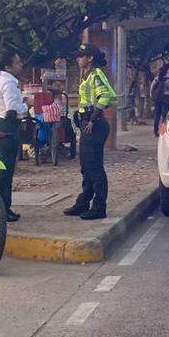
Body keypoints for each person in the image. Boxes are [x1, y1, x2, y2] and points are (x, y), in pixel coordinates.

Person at [65, 44, 117, 220]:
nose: (78, 59)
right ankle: (83, 202)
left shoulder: (95, 75)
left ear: (90, 58)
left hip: (94, 125)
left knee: (94, 168)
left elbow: (105, 97)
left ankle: (99, 206)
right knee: (86, 167)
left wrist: (93, 119)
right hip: (87, 123)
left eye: (82, 56)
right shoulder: (86, 76)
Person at [0, 49, 28, 223]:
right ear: (8, 66)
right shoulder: (8, 83)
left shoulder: (1, 80)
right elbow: (12, 108)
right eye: (17, 62)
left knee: (0, 170)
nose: (20, 65)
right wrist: (27, 105)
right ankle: (2, 209)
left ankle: (1, 207)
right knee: (4, 171)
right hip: (7, 126)